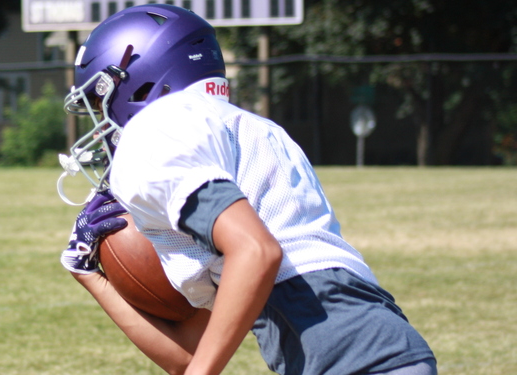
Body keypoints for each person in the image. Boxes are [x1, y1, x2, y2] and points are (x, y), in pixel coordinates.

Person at [58, 4, 437, 375]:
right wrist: (88, 273)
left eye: (97, 100)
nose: (100, 124)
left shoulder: (152, 131)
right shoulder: (254, 129)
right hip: (375, 339)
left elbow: (256, 251)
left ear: (130, 81)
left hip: (348, 355)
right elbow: (190, 356)